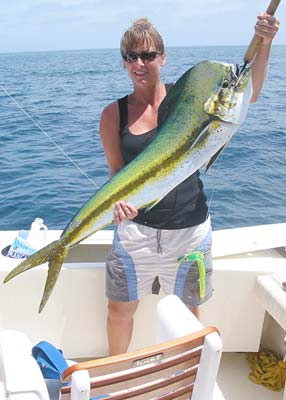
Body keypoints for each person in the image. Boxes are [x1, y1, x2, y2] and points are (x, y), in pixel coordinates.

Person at [100, 14, 280, 356]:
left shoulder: (191, 101)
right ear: (123, 63)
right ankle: (119, 378)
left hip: (189, 229)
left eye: (148, 55)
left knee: (186, 315)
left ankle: (185, 381)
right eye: (131, 57)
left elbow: (248, 94)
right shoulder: (114, 115)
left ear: (163, 58)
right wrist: (117, 207)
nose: (140, 63)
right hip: (134, 232)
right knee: (119, 311)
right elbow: (116, 174)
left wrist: (265, 44)